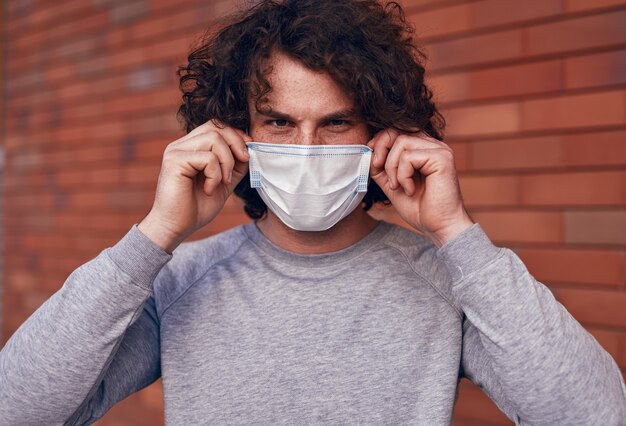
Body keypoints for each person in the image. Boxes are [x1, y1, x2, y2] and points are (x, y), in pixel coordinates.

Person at [1, 0, 625, 424]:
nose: (304, 151)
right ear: (235, 131)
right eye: (278, 121)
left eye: (334, 123)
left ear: (379, 134)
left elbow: (595, 413)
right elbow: (19, 406)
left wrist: (455, 233)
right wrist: (155, 235)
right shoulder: (181, 279)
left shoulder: (445, 280)